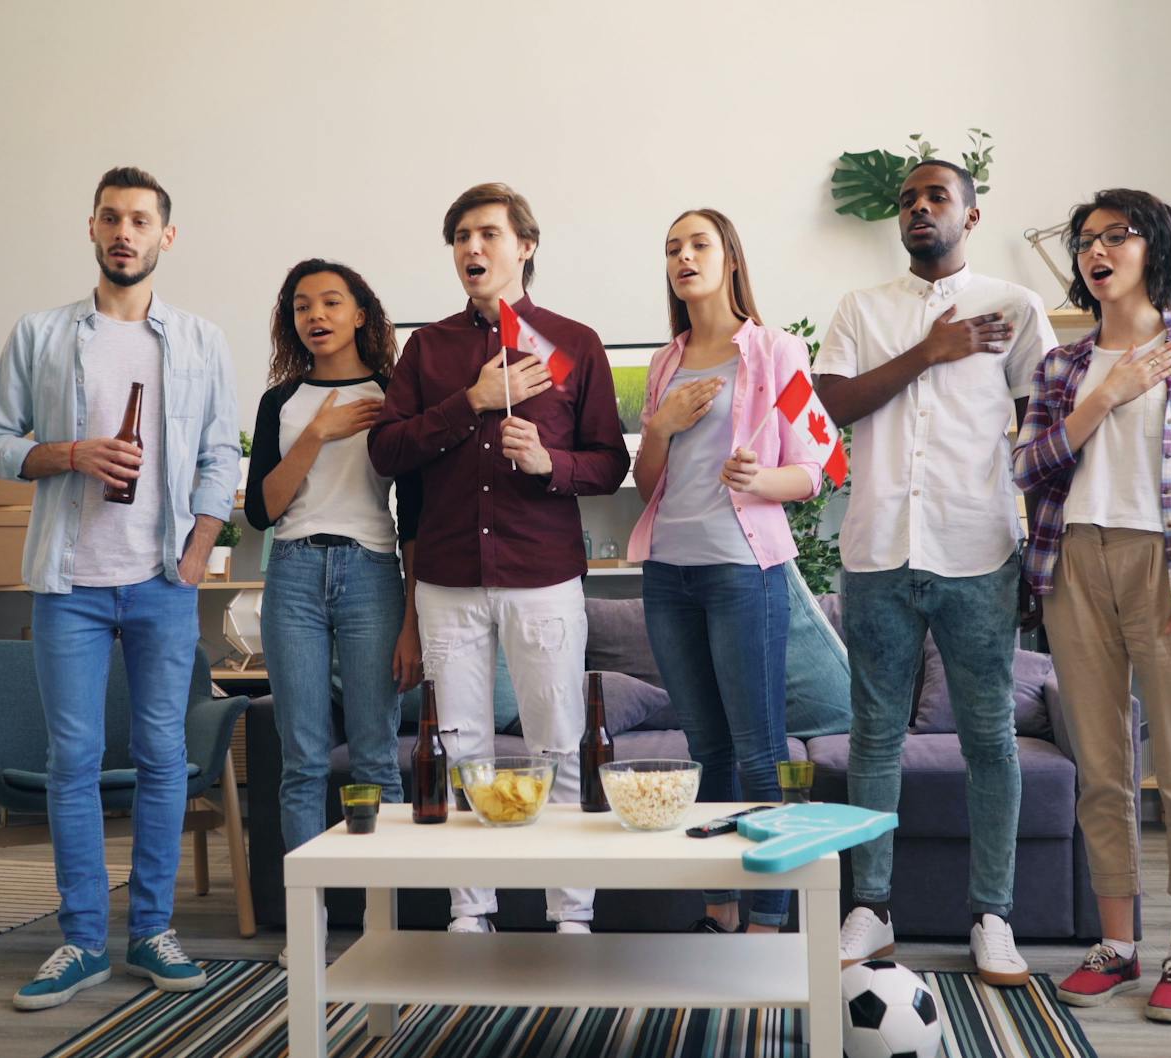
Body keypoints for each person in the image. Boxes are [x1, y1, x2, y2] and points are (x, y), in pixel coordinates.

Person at [0, 166, 239, 1010]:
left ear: (167, 236)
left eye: (141, 220)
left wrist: (200, 546)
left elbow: (219, 456)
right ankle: (83, 939)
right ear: (91, 229)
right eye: (111, 218)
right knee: (73, 761)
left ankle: (152, 930)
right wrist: (70, 453)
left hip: (163, 579)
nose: (125, 232)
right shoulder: (41, 334)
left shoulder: (201, 340)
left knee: (165, 757)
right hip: (69, 582)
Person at [1014, 188, 1171, 1025]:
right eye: (1086, 241)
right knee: (1102, 769)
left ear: (1152, 247)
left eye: (1116, 236)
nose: (1097, 251)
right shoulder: (1063, 367)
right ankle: (1117, 945)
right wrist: (1104, 397)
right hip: (1075, 561)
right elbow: (1032, 466)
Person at [813, 159, 1054, 985]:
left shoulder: (1016, 309)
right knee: (874, 737)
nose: (920, 207)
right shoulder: (861, 310)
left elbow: (1045, 433)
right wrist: (930, 351)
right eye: (910, 199)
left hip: (978, 550)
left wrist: (1040, 549)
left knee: (991, 739)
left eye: (937, 197)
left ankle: (992, 916)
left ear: (971, 216)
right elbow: (833, 407)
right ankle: (871, 912)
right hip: (877, 550)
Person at [367, 182, 630, 933]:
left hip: (542, 575)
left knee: (557, 744)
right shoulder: (428, 349)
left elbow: (608, 464)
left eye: (487, 234)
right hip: (448, 580)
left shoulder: (575, 344)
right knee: (463, 751)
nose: (471, 249)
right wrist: (472, 402)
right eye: (459, 238)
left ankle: (570, 918)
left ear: (526, 245)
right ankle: (470, 912)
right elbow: (387, 451)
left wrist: (552, 466)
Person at [627, 208, 823, 936]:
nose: (684, 256)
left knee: (759, 750)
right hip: (668, 575)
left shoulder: (776, 351)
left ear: (730, 259)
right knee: (704, 749)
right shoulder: (664, 363)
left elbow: (818, 468)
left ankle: (771, 917)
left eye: (698, 244)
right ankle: (720, 911)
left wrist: (762, 480)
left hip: (744, 573)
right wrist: (661, 425)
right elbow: (649, 481)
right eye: (672, 246)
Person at [244, 258, 423, 858]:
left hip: (373, 575)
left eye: (330, 302)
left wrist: (412, 624)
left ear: (360, 314)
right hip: (293, 573)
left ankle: (387, 927)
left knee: (377, 757)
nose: (315, 315)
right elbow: (262, 512)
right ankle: (307, 928)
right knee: (303, 762)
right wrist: (318, 432)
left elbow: (415, 518)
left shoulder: (395, 395)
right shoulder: (283, 403)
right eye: (301, 306)